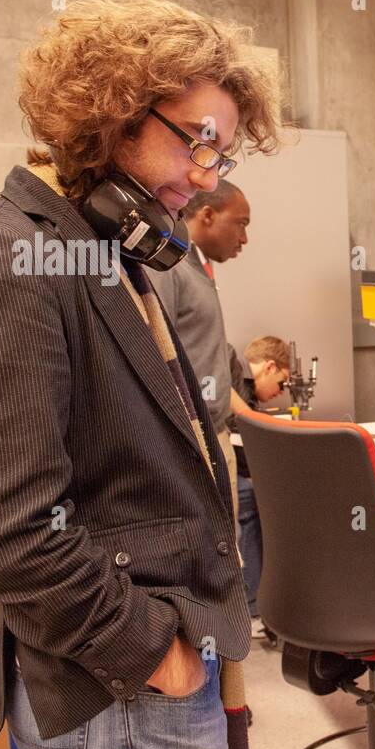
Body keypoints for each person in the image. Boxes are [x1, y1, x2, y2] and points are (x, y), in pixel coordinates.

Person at [0, 0, 279, 749]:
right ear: (110, 113)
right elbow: (9, 534)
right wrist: (156, 654)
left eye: (220, 156)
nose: (204, 176)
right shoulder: (6, 257)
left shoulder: (104, 253)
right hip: (120, 689)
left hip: (149, 678)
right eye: (197, 142)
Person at [150, 181, 250, 534]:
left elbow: (206, 357)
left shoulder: (198, 268)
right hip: (193, 442)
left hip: (214, 433)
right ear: (207, 214)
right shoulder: (169, 268)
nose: (244, 238)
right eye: (241, 223)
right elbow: (155, 356)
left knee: (229, 550)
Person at [227, 336, 292, 625]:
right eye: (282, 382)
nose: (280, 392)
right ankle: (254, 608)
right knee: (251, 501)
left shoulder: (244, 389)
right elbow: (237, 431)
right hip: (221, 472)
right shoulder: (230, 372)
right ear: (269, 367)